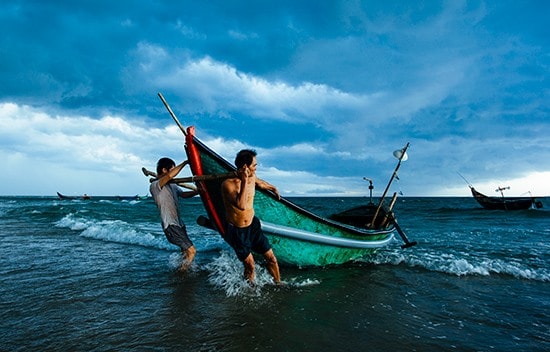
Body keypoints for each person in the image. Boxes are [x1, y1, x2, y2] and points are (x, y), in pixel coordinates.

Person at [221, 149, 282, 284]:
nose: (256, 167)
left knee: (271, 258)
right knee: (250, 265)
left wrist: (273, 188)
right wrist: (243, 180)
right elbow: (241, 205)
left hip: (253, 226)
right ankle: (249, 291)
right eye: (254, 165)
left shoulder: (252, 177)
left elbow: (260, 183)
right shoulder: (228, 184)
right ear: (245, 167)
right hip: (238, 231)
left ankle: (279, 284)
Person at [150, 157, 199, 271]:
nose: (174, 172)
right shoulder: (155, 186)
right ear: (164, 170)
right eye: (172, 169)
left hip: (179, 224)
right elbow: (170, 176)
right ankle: (181, 275)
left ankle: (182, 270)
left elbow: (184, 195)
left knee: (185, 252)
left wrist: (197, 191)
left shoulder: (173, 185)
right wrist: (185, 162)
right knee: (192, 251)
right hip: (170, 225)